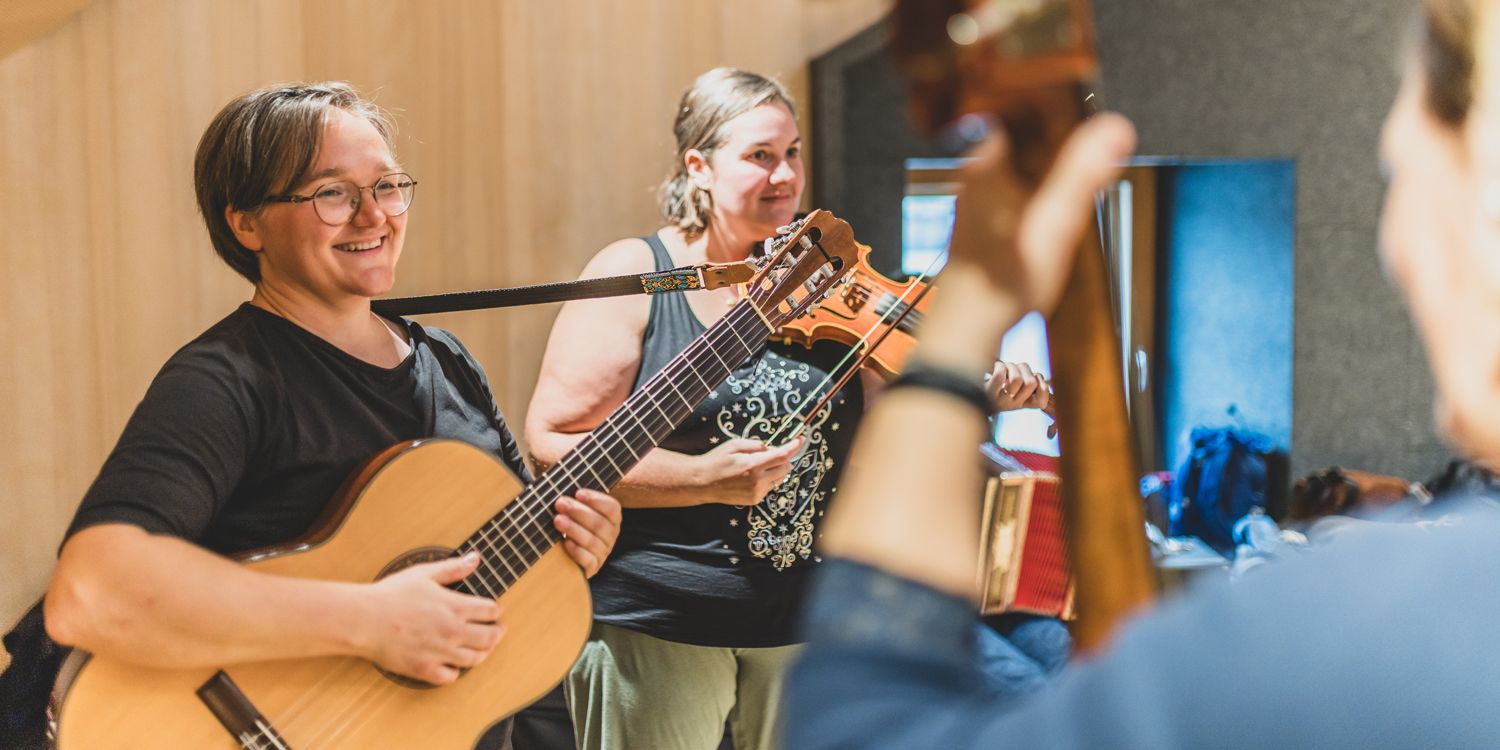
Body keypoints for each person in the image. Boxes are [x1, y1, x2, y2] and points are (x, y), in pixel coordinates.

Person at [783, 0, 1500, 747]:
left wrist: (964, 314)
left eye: (1398, 174)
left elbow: (858, 725)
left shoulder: (1374, 626)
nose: (1394, 243)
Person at [7, 82, 622, 749]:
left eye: (387, 186)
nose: (373, 216)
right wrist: (370, 619)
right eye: (332, 193)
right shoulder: (223, 379)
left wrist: (570, 546)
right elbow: (91, 590)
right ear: (245, 222)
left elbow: (477, 558)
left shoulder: (445, 360)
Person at [523, 67, 1056, 750]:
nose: (785, 175)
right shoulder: (637, 273)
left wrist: (975, 393)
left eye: (793, 152)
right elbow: (554, 442)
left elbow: (876, 457)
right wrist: (702, 479)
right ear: (700, 166)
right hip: (661, 623)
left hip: (801, 628)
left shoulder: (829, 280)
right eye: (760, 156)